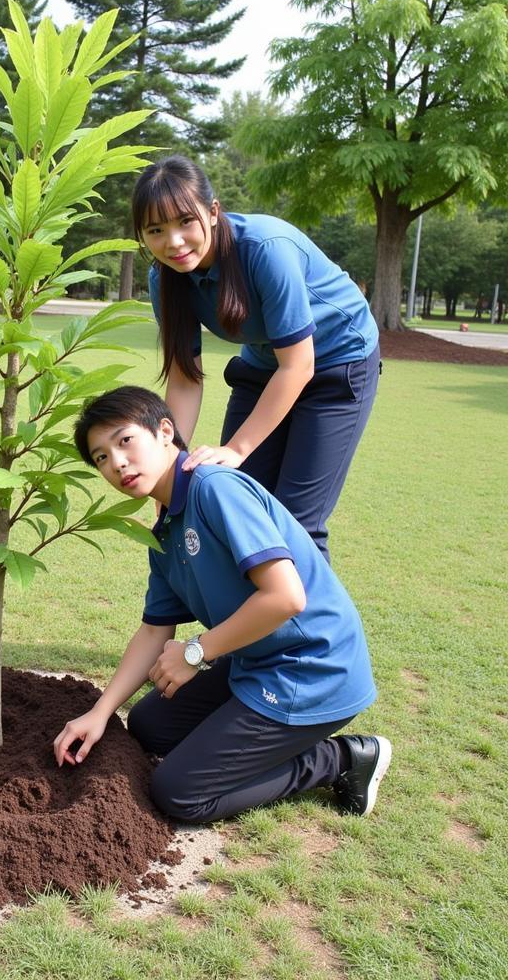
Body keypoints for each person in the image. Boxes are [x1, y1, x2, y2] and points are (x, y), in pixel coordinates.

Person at [53, 386, 391, 823]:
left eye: (124, 441)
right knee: (149, 726)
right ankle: (250, 738)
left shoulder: (215, 489)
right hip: (256, 659)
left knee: (179, 793)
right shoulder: (165, 526)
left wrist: (196, 652)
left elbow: (286, 597)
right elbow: (155, 630)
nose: (116, 463)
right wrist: (100, 712)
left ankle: (341, 759)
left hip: (311, 669)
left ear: (165, 432)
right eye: (100, 457)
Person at [133, 155, 380, 561]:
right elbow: (184, 379)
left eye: (184, 222)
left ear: (212, 213)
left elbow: (299, 365)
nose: (173, 241)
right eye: (156, 230)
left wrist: (237, 448)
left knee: (298, 524)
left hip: (339, 363)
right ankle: (250, 622)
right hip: (265, 368)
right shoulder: (165, 279)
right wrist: (169, 464)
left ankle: (313, 625)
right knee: (240, 507)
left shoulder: (266, 248)